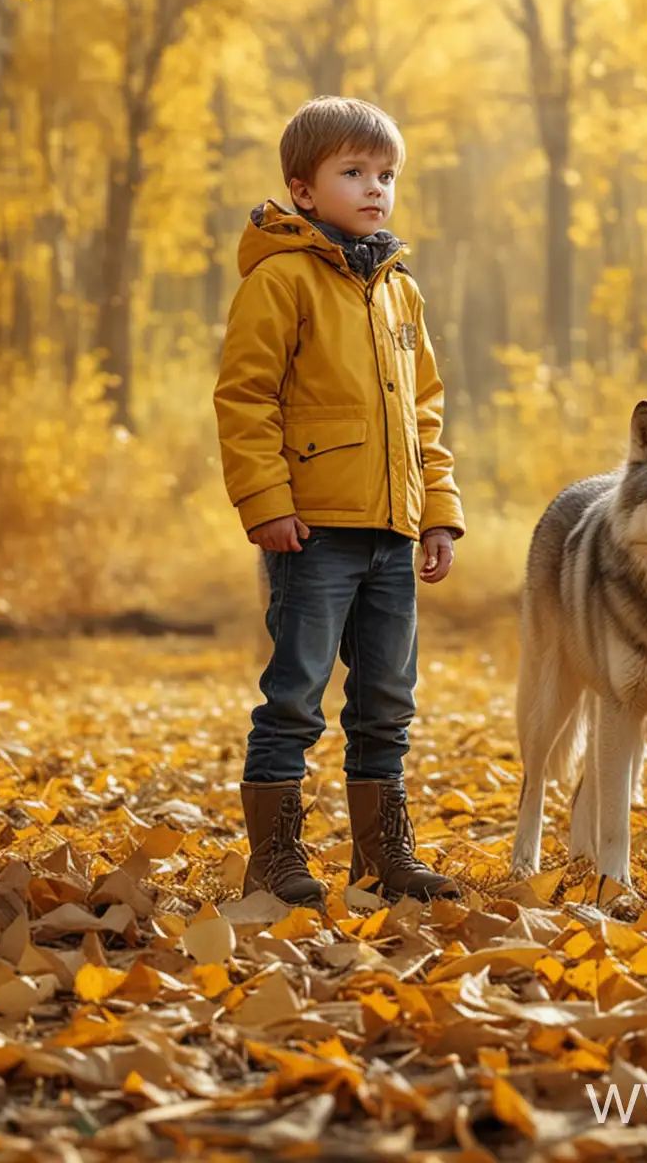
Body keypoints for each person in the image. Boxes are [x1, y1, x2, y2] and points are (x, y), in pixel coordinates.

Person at [213, 95, 465, 908]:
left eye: (386, 174)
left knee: (387, 698)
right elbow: (246, 398)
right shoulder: (279, 280)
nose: (374, 188)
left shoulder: (399, 290)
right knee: (295, 693)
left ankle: (382, 853)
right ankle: (276, 859)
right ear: (303, 189)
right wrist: (266, 501)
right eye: (353, 172)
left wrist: (437, 512)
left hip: (393, 528)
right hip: (311, 530)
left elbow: (424, 409)